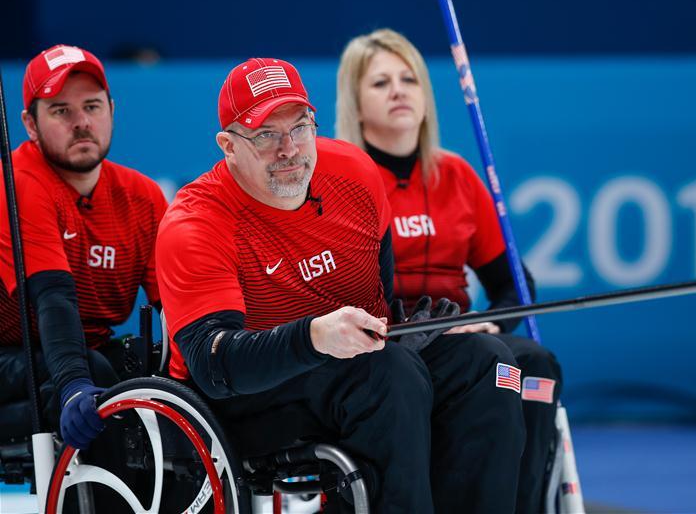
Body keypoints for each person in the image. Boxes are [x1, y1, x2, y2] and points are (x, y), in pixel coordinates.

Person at [155, 56, 525, 513]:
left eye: (299, 128)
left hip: (353, 371)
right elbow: (215, 368)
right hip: (243, 399)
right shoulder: (196, 223)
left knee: (486, 362)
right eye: (266, 134)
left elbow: (380, 301)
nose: (289, 149)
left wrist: (405, 335)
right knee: (388, 375)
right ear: (228, 146)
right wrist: (313, 337)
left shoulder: (355, 173)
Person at [336, 28, 564, 514]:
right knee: (485, 360)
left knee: (533, 364)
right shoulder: (343, 180)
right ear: (355, 105)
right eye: (380, 83)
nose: (399, 91)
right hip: (388, 341)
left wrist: (492, 322)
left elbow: (514, 284)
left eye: (409, 80)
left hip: (461, 335)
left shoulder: (456, 175)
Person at [0, 45, 168, 502]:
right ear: (30, 124)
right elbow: (53, 300)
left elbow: (176, 307)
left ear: (111, 110)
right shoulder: (19, 182)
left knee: (153, 374)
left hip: (82, 351)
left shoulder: (142, 196)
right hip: (11, 353)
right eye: (61, 111)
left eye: (92, 106)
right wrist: (76, 385)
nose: (81, 122)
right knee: (93, 377)